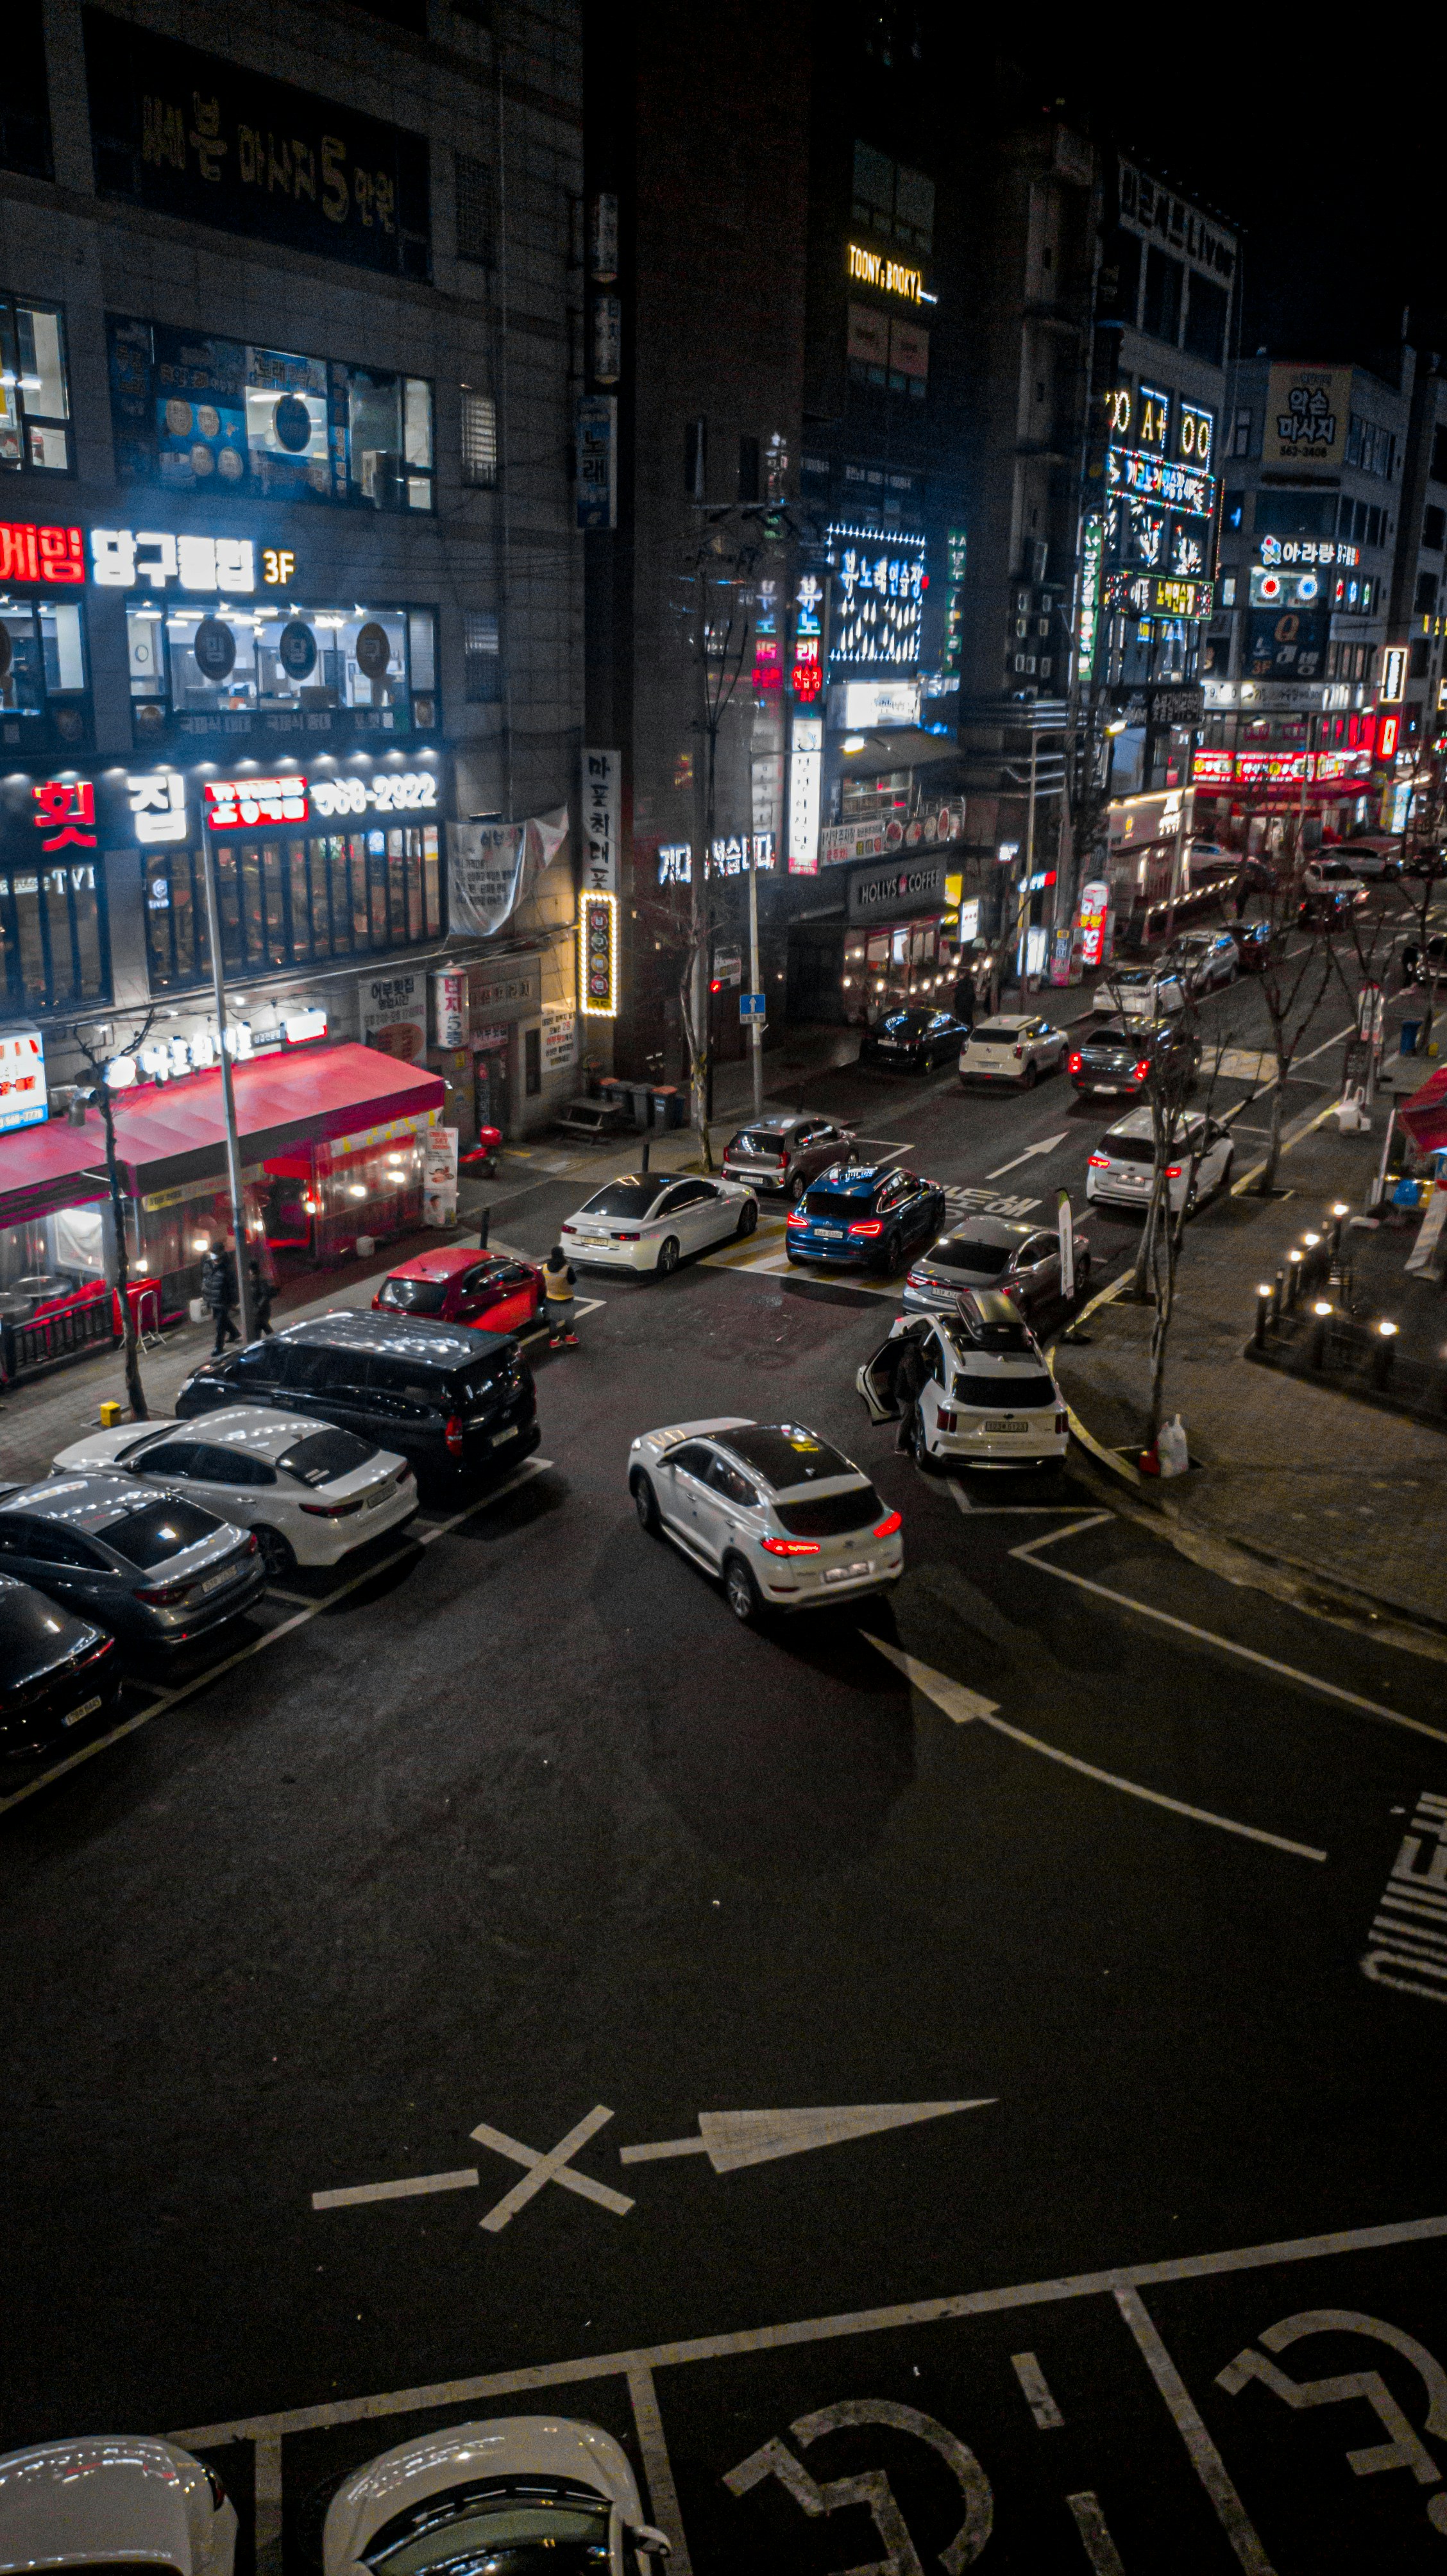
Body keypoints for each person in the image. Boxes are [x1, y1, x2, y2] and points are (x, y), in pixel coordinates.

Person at [893, 1330, 930, 1457]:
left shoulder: (908, 1356)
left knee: (909, 1419)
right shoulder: (911, 1360)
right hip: (905, 1395)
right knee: (906, 1419)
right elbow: (912, 1381)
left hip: (903, 1393)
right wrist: (921, 1392)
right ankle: (900, 1446)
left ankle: (907, 1440)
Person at [200, 1237, 239, 1355]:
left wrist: (234, 1301)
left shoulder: (227, 1267)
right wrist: (206, 1297)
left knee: (220, 1325)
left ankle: (219, 1347)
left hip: (223, 1300)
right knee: (221, 1320)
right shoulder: (208, 1265)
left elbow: (233, 1286)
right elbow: (206, 1281)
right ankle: (234, 1333)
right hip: (213, 1298)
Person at [542, 1243, 577, 1348]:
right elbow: (573, 1281)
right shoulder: (567, 1268)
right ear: (562, 1255)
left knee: (553, 1320)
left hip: (551, 1298)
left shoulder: (545, 1267)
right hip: (566, 1298)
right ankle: (570, 1338)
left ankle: (554, 1341)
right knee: (569, 1319)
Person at [248, 1253, 273, 1337]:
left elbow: (265, 1296)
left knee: (259, 1327)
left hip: (262, 1311)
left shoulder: (260, 1280)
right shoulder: (252, 1281)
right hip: (257, 1311)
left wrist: (258, 1307)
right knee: (263, 1327)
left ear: (251, 1270)